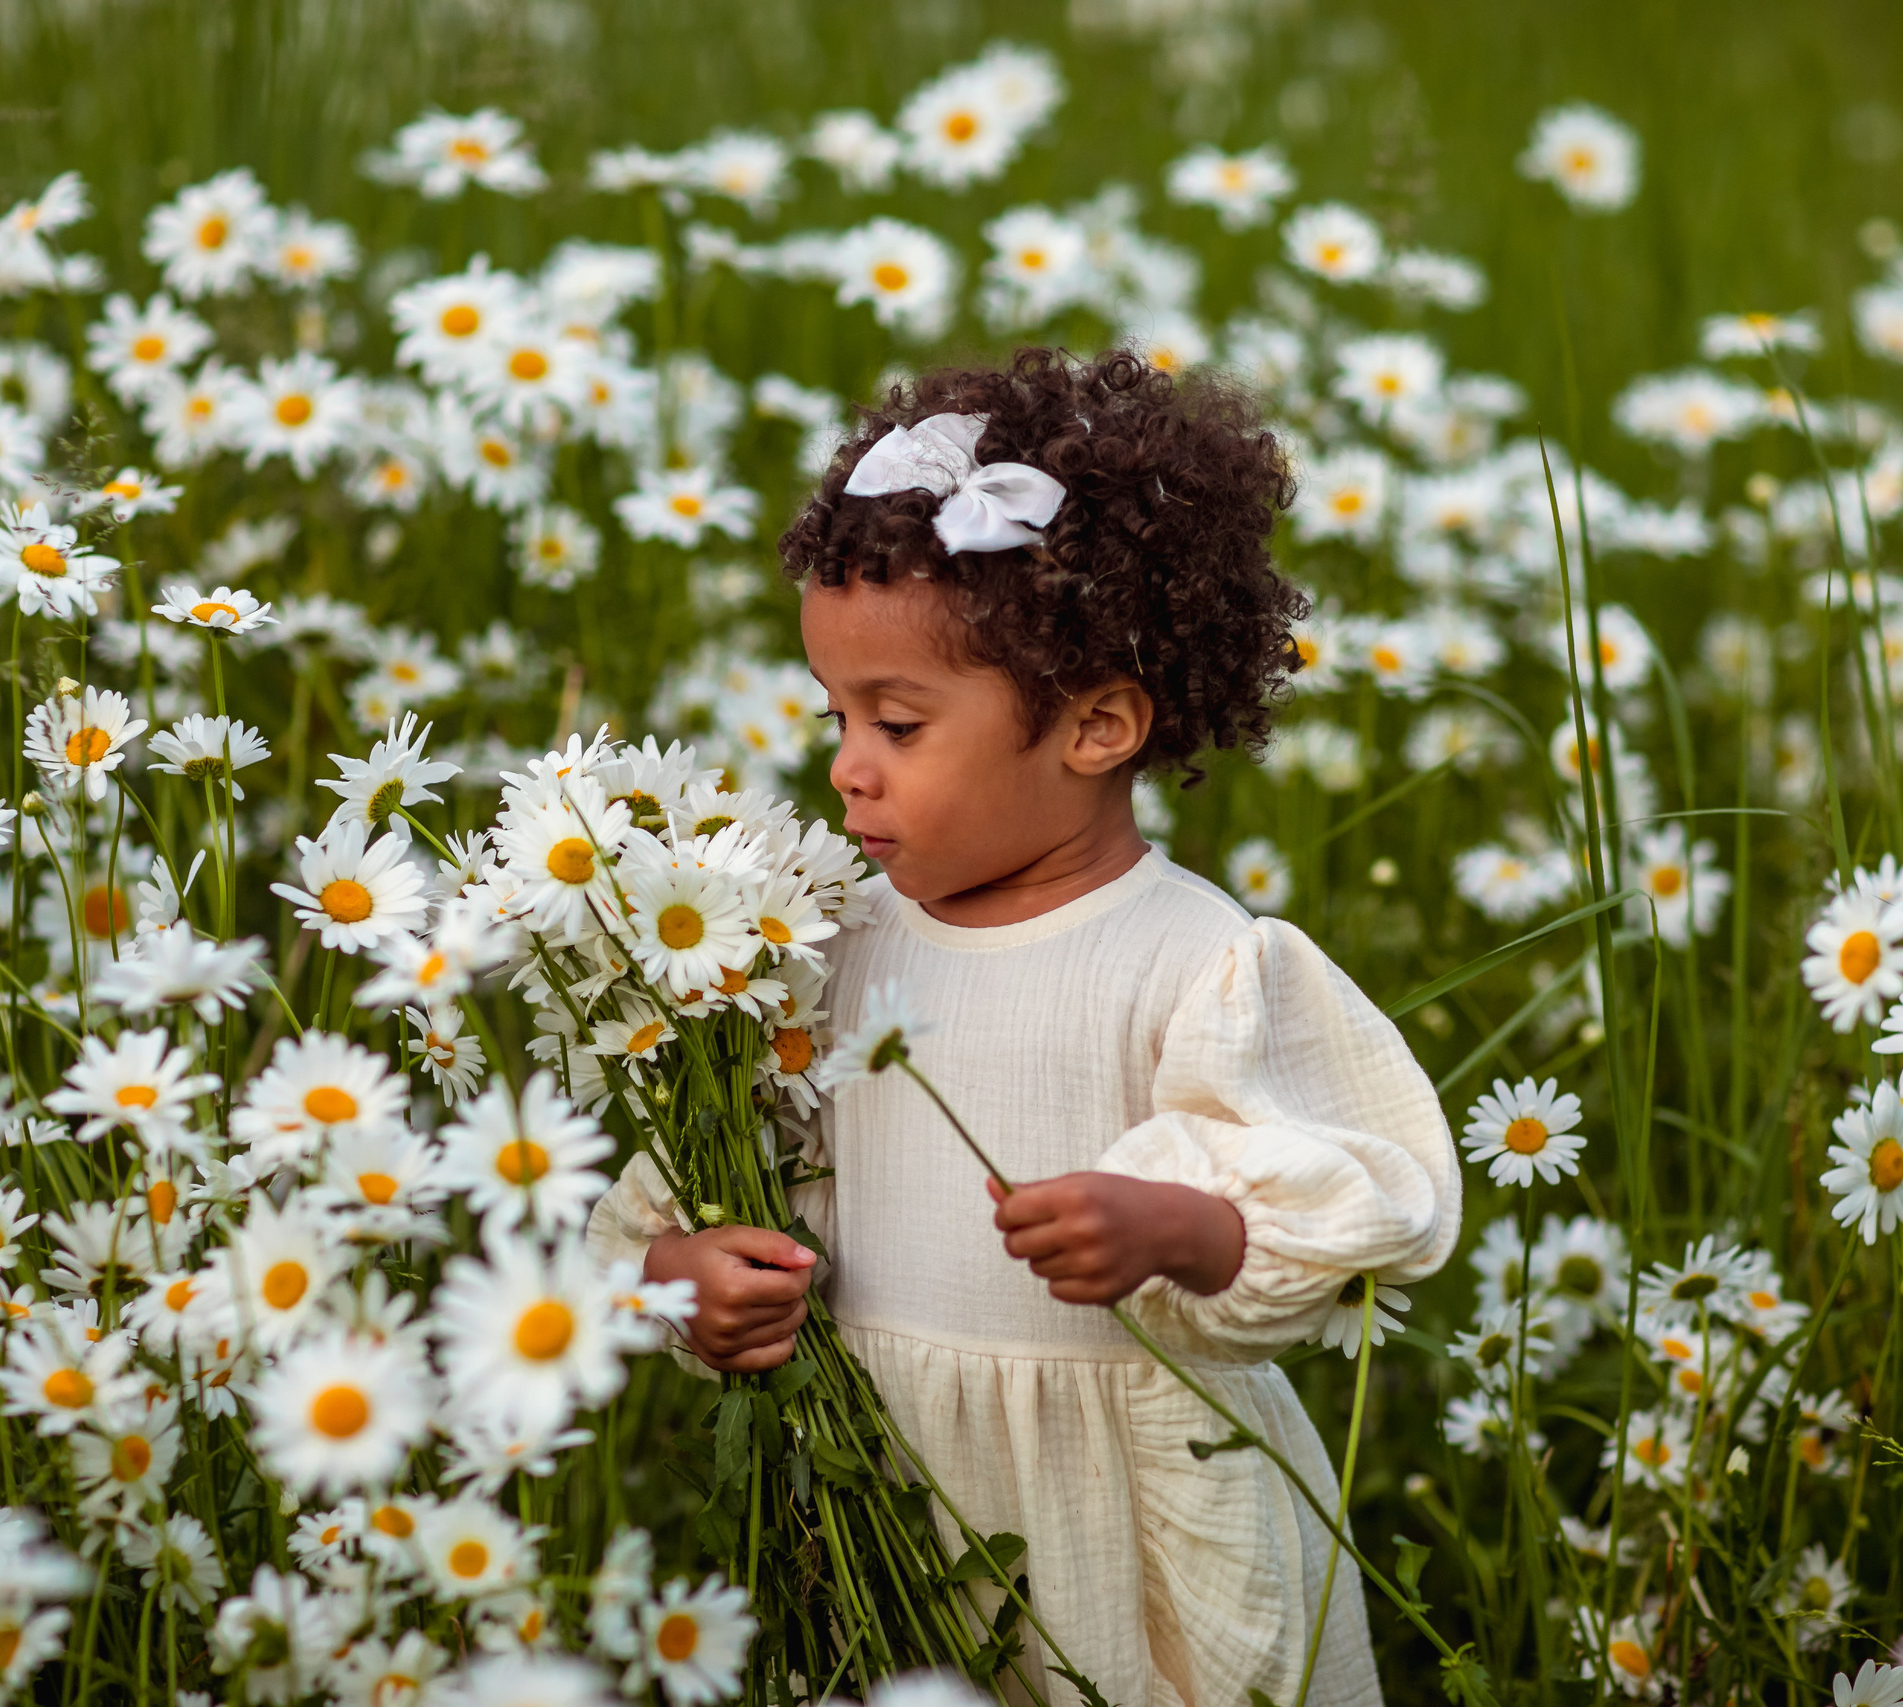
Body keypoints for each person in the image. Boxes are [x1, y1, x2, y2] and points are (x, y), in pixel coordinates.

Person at [588, 348, 1462, 1707]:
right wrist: (678, 1277)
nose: (844, 765)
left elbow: (1370, 1204)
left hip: (1125, 1505)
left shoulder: (1195, 962)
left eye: (897, 721)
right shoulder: (816, 949)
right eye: (836, 715)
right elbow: (675, 1188)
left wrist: (1183, 1230)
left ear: (1099, 726)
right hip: (869, 1490)